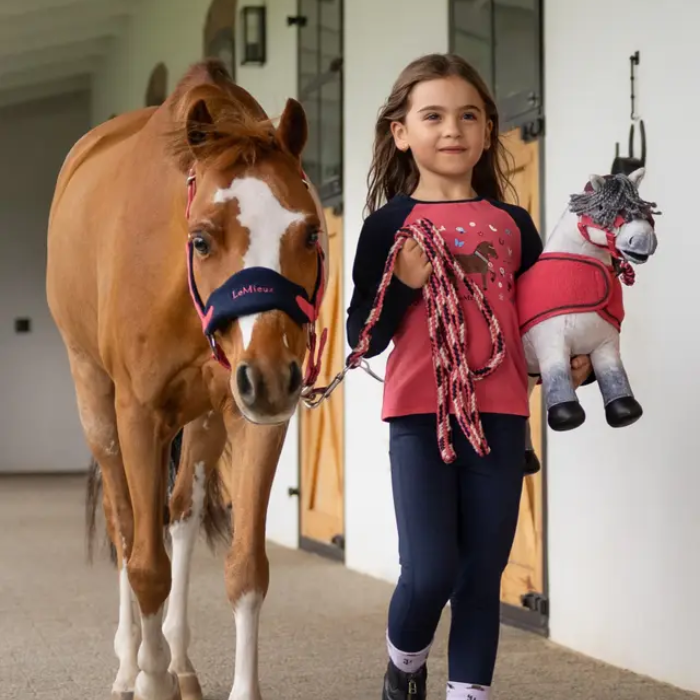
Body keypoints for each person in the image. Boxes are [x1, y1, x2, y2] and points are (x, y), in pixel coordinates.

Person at [345, 53, 593, 700]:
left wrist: (572, 363)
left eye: (468, 116)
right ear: (401, 131)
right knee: (429, 574)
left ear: (487, 132)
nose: (451, 129)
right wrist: (400, 287)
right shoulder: (386, 226)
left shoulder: (514, 225)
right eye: (433, 116)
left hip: (502, 416)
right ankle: (404, 664)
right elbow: (361, 338)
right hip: (419, 417)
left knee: (482, 577)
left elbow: (543, 320)